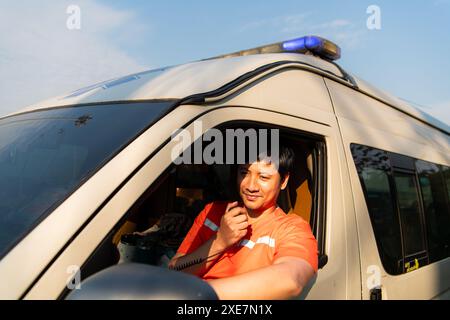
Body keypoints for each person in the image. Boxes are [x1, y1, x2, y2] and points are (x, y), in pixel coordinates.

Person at [169, 146, 318, 299]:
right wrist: (219, 242)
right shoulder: (212, 212)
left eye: (263, 177)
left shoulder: (291, 228)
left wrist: (203, 294)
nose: (250, 186)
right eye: (244, 173)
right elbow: (174, 271)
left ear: (284, 180)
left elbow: (291, 280)